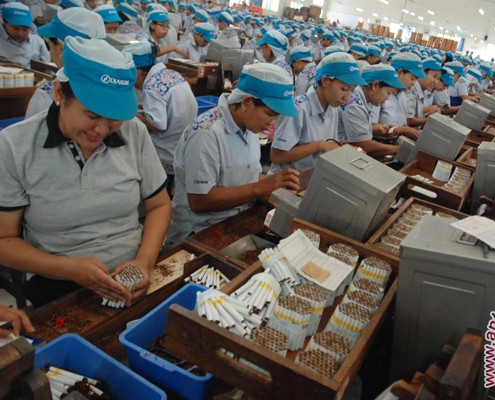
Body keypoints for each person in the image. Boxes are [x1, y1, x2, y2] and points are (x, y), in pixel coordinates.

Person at [0, 37, 171, 308]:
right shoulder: (14, 146)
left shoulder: (133, 132)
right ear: (59, 94)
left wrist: (144, 261)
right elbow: (5, 239)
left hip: (132, 274)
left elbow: (159, 205)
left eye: (114, 117)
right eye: (92, 115)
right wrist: (69, 268)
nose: (102, 130)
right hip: (57, 282)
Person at [166, 64, 301, 245]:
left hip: (237, 221)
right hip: (200, 234)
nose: (273, 123)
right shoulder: (206, 133)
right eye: (270, 114)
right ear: (246, 102)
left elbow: (247, 175)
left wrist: (278, 186)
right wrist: (260, 188)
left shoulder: (249, 127)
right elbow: (199, 200)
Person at [268, 52, 366, 174]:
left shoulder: (333, 108)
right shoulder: (298, 109)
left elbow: (329, 144)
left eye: (352, 90)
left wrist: (342, 149)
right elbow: (277, 155)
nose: (347, 97)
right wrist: (319, 145)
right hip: (288, 182)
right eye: (344, 89)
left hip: (312, 176)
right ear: (325, 81)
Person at [123, 40, 196, 192]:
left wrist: (131, 113)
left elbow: (158, 124)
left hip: (165, 152)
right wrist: (139, 107)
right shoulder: (170, 74)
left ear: (137, 72)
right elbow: (166, 106)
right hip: (183, 145)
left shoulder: (151, 87)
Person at [25, 8, 106, 119]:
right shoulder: (113, 83)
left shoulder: (49, 92)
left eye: (51, 46)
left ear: (61, 47)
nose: (50, 51)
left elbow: (31, 133)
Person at [338, 64, 404, 157]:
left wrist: (377, 128)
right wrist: (397, 149)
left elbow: (355, 126)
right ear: (375, 85)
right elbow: (363, 145)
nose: (387, 98)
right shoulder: (356, 106)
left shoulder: (360, 97)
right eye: (388, 93)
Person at [379, 52, 425, 141]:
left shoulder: (403, 96)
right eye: (412, 79)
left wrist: (414, 132)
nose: (413, 83)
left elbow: (403, 124)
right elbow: (371, 128)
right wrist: (403, 130)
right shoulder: (380, 94)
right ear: (400, 73)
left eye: (416, 80)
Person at [0, 2, 50, 68]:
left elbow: (47, 67)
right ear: (5, 22)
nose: (20, 33)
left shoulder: (37, 41)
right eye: (16, 28)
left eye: (25, 29)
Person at [406, 57, 444, 127]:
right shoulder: (412, 91)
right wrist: (431, 119)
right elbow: (408, 121)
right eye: (434, 76)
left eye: (438, 78)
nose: (436, 82)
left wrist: (430, 112)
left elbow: (418, 114)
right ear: (423, 73)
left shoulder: (424, 92)